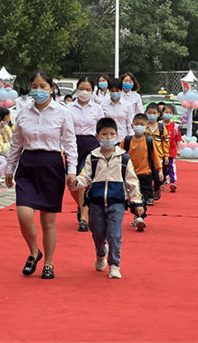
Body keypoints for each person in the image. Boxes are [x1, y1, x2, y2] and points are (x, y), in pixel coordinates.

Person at [5, 71, 77, 280]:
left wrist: (71, 171)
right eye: (35, 87)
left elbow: (70, 144)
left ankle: (49, 263)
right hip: (27, 165)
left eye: (43, 86)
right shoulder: (23, 112)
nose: (38, 91)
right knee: (24, 215)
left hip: (51, 166)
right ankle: (34, 251)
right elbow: (16, 142)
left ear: (52, 89)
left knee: (48, 221)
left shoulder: (62, 113)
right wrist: (10, 168)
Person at [73, 117, 143, 279]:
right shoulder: (92, 157)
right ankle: (100, 252)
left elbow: (132, 181)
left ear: (117, 136)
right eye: (104, 134)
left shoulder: (124, 158)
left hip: (116, 202)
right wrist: (75, 182)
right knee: (97, 232)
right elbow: (85, 178)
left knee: (114, 235)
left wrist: (137, 202)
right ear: (97, 137)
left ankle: (114, 264)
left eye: (112, 134)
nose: (108, 138)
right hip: (96, 203)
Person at [67, 77, 104, 232]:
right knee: (71, 183)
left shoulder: (97, 108)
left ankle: (83, 217)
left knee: (82, 181)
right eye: (82, 88)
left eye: (88, 89)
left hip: (91, 146)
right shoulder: (68, 107)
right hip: (73, 145)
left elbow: (102, 129)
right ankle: (81, 206)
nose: (84, 92)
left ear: (92, 90)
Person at [120, 113, 162, 230]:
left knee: (143, 196)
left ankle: (140, 217)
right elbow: (119, 155)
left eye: (142, 125)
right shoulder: (127, 140)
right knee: (133, 196)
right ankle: (136, 215)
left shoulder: (148, 141)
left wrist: (159, 170)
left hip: (145, 174)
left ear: (147, 126)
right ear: (132, 125)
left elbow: (155, 157)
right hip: (130, 175)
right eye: (137, 124)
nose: (139, 127)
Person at [145, 103, 169, 201]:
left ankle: (157, 187)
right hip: (145, 156)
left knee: (158, 176)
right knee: (148, 177)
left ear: (159, 114)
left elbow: (166, 142)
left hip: (158, 156)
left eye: (154, 113)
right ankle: (149, 196)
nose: (151, 115)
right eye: (149, 113)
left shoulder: (161, 127)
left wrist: (166, 156)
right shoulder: (144, 127)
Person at [161, 104, 182, 192]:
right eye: (166, 112)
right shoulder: (159, 125)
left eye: (170, 113)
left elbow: (178, 139)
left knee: (171, 166)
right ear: (162, 113)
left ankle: (172, 182)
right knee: (161, 167)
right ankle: (161, 183)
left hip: (171, 150)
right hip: (160, 151)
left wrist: (178, 149)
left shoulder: (175, 126)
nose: (168, 114)